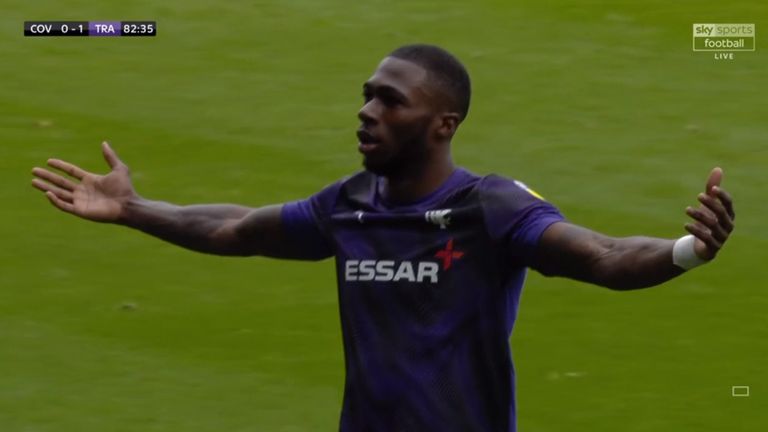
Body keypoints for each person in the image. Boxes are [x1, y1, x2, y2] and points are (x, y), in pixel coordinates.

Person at [31, 44, 735, 432]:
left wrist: (688, 251)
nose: (367, 112)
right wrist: (134, 208)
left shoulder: (487, 207)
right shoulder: (350, 204)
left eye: (391, 100)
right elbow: (234, 228)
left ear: (443, 123)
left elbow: (603, 256)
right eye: (368, 94)